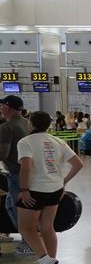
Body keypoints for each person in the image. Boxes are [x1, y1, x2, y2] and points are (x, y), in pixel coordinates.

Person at [17, 111, 83, 264]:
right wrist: (63, 182)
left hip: (34, 190)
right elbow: (78, 164)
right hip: (55, 189)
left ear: (31, 123)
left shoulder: (25, 142)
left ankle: (44, 260)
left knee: (26, 228)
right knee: (47, 227)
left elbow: (26, 167)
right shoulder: (58, 141)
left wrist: (23, 189)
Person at [0, 96, 32, 253]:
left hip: (16, 173)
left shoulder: (7, 127)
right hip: (30, 172)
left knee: (18, 208)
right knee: (10, 205)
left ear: (8, 107)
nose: (0, 108)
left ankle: (29, 242)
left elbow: (4, 152)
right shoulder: (29, 124)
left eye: (2, 105)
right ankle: (30, 238)